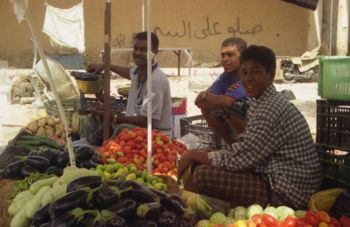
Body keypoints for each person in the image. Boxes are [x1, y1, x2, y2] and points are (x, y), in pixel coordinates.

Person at [177, 45, 322, 209]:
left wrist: (192, 154)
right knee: (204, 160)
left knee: (204, 174)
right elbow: (246, 150)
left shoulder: (270, 108)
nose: (248, 79)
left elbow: (240, 159)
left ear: (271, 74)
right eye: (244, 73)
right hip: (273, 173)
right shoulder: (260, 102)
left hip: (289, 190)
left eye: (256, 72)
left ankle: (230, 209)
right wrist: (203, 155)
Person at [84, 31, 173, 145]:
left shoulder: (156, 80)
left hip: (156, 136)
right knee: (91, 120)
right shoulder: (139, 70)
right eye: (135, 48)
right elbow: (129, 73)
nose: (138, 53)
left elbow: (146, 121)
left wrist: (115, 117)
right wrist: (106, 66)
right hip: (137, 129)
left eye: (144, 49)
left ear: (155, 52)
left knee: (121, 128)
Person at [194, 37, 251, 145]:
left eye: (230, 55)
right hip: (236, 128)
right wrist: (208, 96)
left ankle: (246, 147)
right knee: (206, 108)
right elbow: (198, 101)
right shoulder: (225, 77)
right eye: (223, 55)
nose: (224, 59)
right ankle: (232, 145)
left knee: (235, 107)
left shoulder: (247, 76)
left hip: (257, 128)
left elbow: (227, 101)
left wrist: (207, 96)